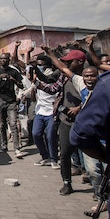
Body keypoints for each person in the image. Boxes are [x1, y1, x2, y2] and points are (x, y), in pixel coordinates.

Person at [69, 69, 110, 219]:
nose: (89, 78)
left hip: (101, 148)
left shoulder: (107, 85)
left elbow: (80, 134)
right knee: (95, 171)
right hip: (100, 145)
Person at [36, 48, 86, 195]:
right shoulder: (65, 76)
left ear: (80, 62)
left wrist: (79, 108)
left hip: (84, 121)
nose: (67, 64)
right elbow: (53, 88)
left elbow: (93, 97)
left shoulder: (89, 76)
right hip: (66, 120)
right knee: (64, 153)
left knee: (89, 156)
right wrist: (38, 84)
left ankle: (95, 185)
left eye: (71, 61)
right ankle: (67, 183)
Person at [0, 52, 26, 158]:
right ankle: (4, 146)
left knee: (13, 124)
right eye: (1, 59)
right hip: (0, 100)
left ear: (9, 60)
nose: (3, 60)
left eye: (5, 59)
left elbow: (22, 85)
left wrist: (13, 80)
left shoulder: (14, 72)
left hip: (11, 101)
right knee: (2, 124)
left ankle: (17, 148)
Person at [29, 55, 60, 169]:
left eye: (40, 65)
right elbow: (33, 94)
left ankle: (54, 159)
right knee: (36, 134)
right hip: (40, 110)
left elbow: (50, 88)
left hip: (52, 111)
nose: (39, 67)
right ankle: (44, 156)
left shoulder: (54, 77)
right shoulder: (36, 78)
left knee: (50, 135)